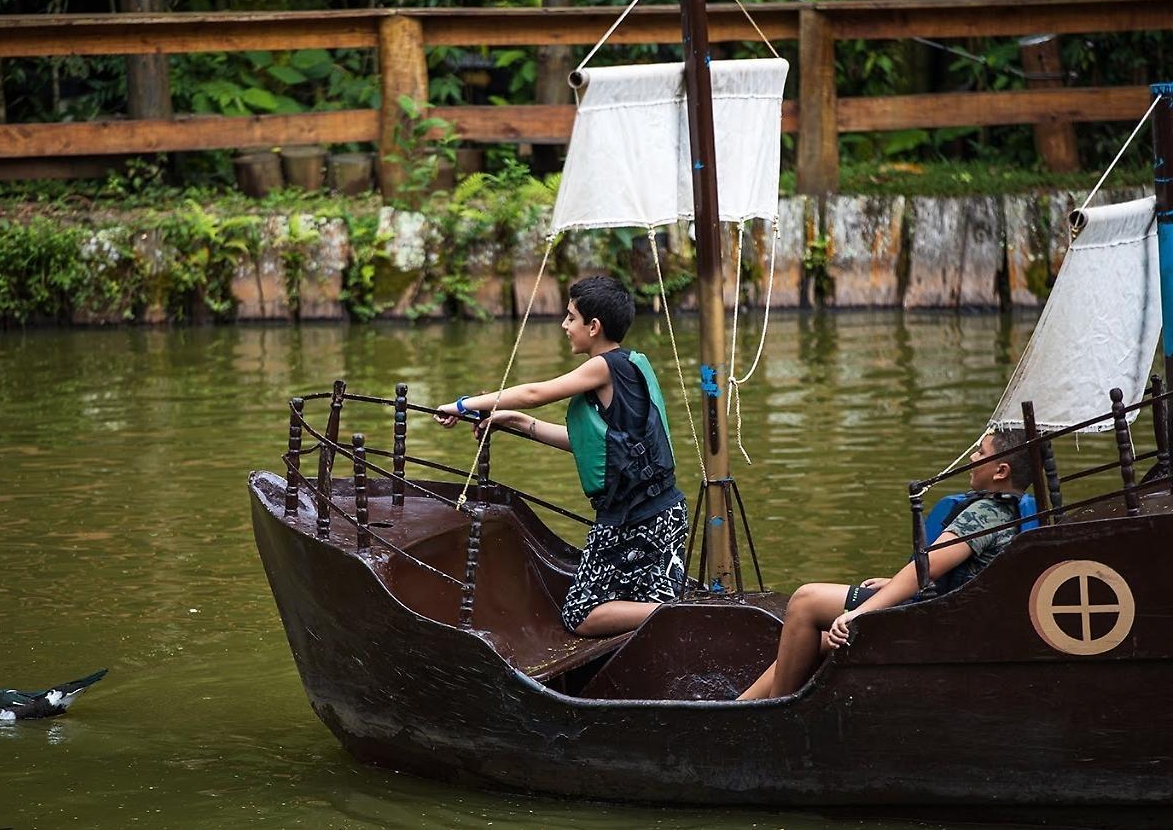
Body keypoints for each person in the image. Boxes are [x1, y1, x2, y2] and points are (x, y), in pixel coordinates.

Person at [434, 276, 687, 637]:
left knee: (579, 615)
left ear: (594, 326)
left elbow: (535, 392)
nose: (564, 326)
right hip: (663, 511)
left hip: (635, 521)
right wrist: (517, 422)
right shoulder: (632, 365)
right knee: (634, 605)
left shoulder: (605, 366)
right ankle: (667, 611)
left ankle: (671, 612)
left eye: (571, 317)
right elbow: (589, 445)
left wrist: (462, 405)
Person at [736, 427, 1033, 701]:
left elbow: (926, 568)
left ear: (1001, 470)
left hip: (937, 618)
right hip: (953, 609)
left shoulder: (984, 514)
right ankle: (742, 705)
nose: (972, 456)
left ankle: (773, 709)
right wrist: (893, 585)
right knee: (822, 639)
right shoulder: (1012, 508)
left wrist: (859, 614)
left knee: (805, 601)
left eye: (981, 452)